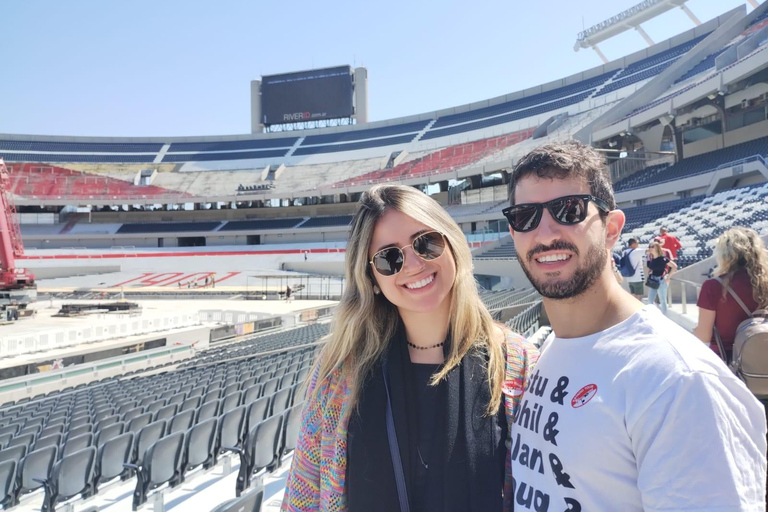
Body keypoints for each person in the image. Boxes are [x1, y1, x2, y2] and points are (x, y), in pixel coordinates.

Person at [502, 141, 766, 512]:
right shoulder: (554, 349)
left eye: (569, 210)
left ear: (611, 229)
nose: (545, 233)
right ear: (513, 233)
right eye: (525, 216)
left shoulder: (679, 381)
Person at [282, 184, 539, 512]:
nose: (414, 264)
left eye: (426, 243)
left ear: (452, 245)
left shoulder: (516, 362)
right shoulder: (338, 369)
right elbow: (302, 496)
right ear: (372, 278)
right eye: (390, 258)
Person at [693, 226, 768, 361]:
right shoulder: (765, 282)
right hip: (763, 357)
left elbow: (703, 335)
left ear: (725, 254)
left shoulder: (713, 286)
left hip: (728, 360)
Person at [646, 240, 677, 316]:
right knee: (650, 300)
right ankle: (652, 316)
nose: (650, 248)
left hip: (661, 279)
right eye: (650, 246)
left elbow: (674, 266)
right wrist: (647, 255)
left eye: (652, 247)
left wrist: (668, 277)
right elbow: (649, 266)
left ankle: (664, 316)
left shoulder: (663, 258)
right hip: (653, 280)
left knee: (662, 300)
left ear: (657, 248)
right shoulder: (651, 258)